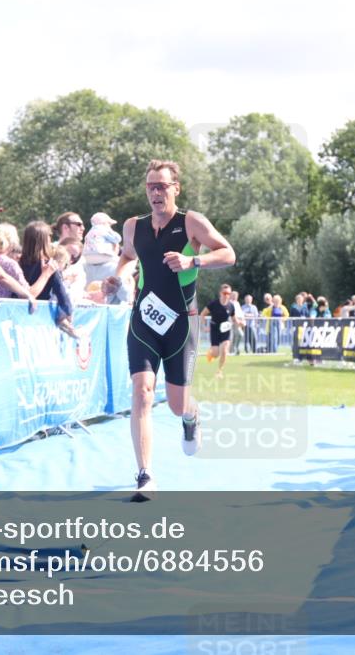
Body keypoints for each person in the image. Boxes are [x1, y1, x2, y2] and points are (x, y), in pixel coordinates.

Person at [111, 159, 235, 498]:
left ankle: (191, 416)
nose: (155, 192)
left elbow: (228, 253)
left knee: (177, 404)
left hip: (183, 323)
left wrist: (193, 260)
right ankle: (145, 475)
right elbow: (126, 256)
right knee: (142, 393)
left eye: (162, 186)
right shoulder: (133, 226)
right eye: (151, 186)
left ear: (175, 188)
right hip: (144, 322)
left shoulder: (191, 222)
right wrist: (118, 277)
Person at [19, 221, 78, 337]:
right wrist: (68, 311)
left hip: (20, 312)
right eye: (50, 236)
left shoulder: (19, 262)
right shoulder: (49, 266)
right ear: (45, 240)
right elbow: (60, 290)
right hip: (42, 315)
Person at [200, 284, 236, 378]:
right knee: (215, 354)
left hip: (225, 329)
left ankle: (219, 371)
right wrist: (204, 327)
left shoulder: (231, 306)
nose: (226, 295)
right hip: (215, 329)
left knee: (224, 350)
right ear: (220, 293)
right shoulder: (214, 304)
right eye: (225, 293)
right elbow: (203, 314)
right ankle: (211, 353)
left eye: (229, 293)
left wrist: (240, 323)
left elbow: (234, 318)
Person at [83, 211, 122, 283]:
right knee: (121, 262)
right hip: (100, 254)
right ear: (105, 223)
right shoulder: (104, 229)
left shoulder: (90, 232)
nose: (110, 226)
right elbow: (118, 239)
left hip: (87, 257)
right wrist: (111, 231)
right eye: (109, 224)